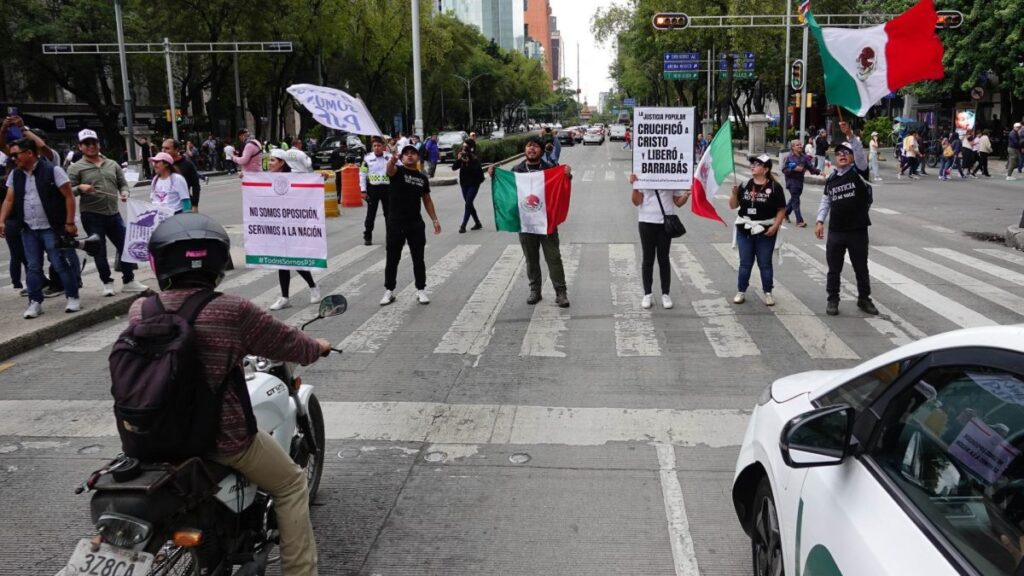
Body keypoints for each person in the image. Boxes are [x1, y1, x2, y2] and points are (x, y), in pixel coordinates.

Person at [135, 212, 330, 576]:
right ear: (217, 263)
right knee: (290, 484)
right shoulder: (231, 309)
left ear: (159, 263)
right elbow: (291, 345)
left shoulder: (141, 308)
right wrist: (317, 345)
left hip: (151, 438)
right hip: (221, 439)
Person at [0, 137, 82, 317]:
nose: (13, 159)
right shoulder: (16, 175)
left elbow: (69, 196)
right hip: (28, 228)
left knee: (60, 263)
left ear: (29, 153)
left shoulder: (53, 170)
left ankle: (72, 296)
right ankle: (35, 301)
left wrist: (69, 222)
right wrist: (2, 220)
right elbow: (9, 198)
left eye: (16, 155)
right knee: (33, 266)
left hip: (51, 227)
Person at [487, 135, 572, 307]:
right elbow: (507, 192)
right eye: (528, 146)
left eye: (535, 146)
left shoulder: (549, 170)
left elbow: (561, 186)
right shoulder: (517, 170)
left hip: (547, 223)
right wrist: (494, 174)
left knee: (553, 258)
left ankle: (561, 292)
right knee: (531, 259)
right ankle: (535, 291)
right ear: (525, 150)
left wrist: (567, 175)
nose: (531, 149)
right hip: (526, 224)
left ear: (541, 151)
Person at [67, 129, 148, 296]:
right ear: (80, 147)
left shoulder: (112, 164)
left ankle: (129, 280)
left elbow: (122, 183)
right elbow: (68, 191)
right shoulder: (76, 168)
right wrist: (80, 188)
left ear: (98, 144)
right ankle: (106, 282)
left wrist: (125, 192)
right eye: (86, 144)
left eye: (94, 143)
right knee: (99, 250)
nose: (91, 146)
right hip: (91, 215)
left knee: (126, 246)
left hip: (113, 213)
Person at [815, 121, 878, 317]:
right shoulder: (832, 179)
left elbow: (859, 153)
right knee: (834, 268)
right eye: (839, 153)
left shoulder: (858, 172)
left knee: (861, 267)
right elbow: (826, 201)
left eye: (846, 153)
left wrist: (849, 134)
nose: (842, 155)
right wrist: (819, 221)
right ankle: (832, 299)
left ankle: (864, 298)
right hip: (836, 231)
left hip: (857, 230)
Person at [380, 144, 441, 306]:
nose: (409, 156)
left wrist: (434, 220)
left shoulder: (422, 178)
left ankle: (421, 289)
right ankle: (389, 290)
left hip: (415, 224)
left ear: (417, 157)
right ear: (401, 158)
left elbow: (427, 199)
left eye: (412, 153)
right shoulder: (397, 172)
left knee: (418, 258)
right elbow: (389, 170)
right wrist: (392, 161)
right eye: (406, 154)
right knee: (392, 258)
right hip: (395, 223)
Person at [266, 148, 320, 311]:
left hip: (293, 224)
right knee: (282, 260)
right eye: (269, 160)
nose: (270, 163)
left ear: (282, 163)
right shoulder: (267, 178)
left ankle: (312, 286)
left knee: (293, 259)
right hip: (277, 225)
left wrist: (320, 178)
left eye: (273, 160)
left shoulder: (293, 178)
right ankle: (285, 297)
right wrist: (245, 178)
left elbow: (308, 188)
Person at [729, 153, 785, 307]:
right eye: (752, 164)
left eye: (757, 164)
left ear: (766, 169)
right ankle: (741, 291)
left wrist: (775, 226)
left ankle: (768, 292)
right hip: (745, 230)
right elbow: (733, 206)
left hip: (765, 232)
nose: (753, 166)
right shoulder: (745, 184)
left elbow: (781, 210)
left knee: (765, 263)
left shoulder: (774, 187)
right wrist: (734, 194)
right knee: (745, 263)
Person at [629, 174, 689, 309]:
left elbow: (678, 202)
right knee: (648, 259)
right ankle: (647, 294)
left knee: (663, 258)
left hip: (664, 223)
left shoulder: (671, 175)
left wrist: (687, 194)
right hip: (646, 221)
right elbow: (636, 201)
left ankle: (665, 294)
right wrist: (635, 186)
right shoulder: (642, 174)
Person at [359, 136, 392, 246]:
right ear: (372, 147)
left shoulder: (390, 157)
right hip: (373, 189)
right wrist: (363, 190)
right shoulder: (367, 158)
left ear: (383, 146)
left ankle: (390, 237)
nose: (377, 148)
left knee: (389, 215)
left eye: (379, 145)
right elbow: (362, 174)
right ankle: (367, 235)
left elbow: (399, 169)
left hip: (387, 189)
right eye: (375, 146)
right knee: (371, 214)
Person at [781, 139, 819, 228]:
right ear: (793, 147)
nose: (800, 146)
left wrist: (819, 172)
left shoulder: (804, 157)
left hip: (800, 182)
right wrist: (793, 169)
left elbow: (810, 167)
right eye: (798, 145)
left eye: (800, 145)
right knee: (796, 200)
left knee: (794, 199)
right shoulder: (788, 157)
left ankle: (785, 213)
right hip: (791, 182)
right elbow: (784, 169)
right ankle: (799, 221)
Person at [451, 140, 484, 233]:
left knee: (468, 203)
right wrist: (459, 159)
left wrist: (468, 162)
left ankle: (463, 225)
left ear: (470, 148)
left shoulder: (474, 158)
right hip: (464, 184)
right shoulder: (462, 156)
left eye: (466, 147)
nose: (464, 149)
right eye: (463, 147)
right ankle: (477, 222)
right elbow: (454, 168)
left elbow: (477, 172)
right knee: (469, 204)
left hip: (474, 184)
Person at [162, 139, 202, 211]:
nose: (163, 151)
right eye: (163, 148)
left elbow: (196, 185)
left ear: (176, 150)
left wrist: (195, 205)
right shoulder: (161, 165)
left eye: (167, 148)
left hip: (184, 206)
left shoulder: (187, 164)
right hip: (165, 208)